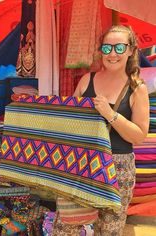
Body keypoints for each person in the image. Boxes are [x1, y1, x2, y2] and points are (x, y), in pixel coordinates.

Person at [71, 25, 149, 235]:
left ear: (131, 50)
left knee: (109, 230)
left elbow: (139, 136)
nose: (112, 54)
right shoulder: (87, 80)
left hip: (118, 168)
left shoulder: (137, 88)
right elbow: (71, 121)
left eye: (119, 48)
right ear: (100, 51)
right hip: (81, 163)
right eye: (107, 48)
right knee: (66, 226)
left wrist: (110, 113)